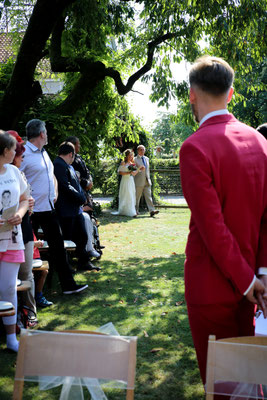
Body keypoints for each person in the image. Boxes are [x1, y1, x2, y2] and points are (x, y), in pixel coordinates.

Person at [179, 56, 267, 393]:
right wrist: (260, 275)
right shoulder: (261, 143)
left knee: (222, 383)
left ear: (192, 94)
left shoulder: (194, 147)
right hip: (254, 286)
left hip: (212, 285)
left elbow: (212, 229)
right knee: (248, 374)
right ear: (230, 94)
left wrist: (248, 282)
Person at [20, 119, 88, 295]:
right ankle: (30, 294)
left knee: (58, 248)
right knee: (28, 251)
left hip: (49, 209)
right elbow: (18, 179)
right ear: (42, 134)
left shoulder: (44, 153)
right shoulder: (24, 153)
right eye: (46, 133)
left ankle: (68, 286)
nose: (48, 135)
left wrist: (55, 192)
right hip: (31, 212)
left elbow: (52, 176)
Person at [0, 131, 29, 352]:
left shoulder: (14, 171)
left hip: (11, 239)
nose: (16, 151)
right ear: (4, 151)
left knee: (9, 288)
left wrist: (20, 213)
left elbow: (24, 200)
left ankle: (11, 339)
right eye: (13, 148)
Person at [53, 142, 99, 270]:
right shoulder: (58, 165)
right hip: (66, 209)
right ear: (70, 154)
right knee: (68, 239)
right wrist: (81, 198)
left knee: (82, 236)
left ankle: (84, 262)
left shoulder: (66, 165)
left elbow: (75, 184)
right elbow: (65, 186)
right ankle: (68, 266)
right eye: (74, 155)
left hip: (74, 209)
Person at [9, 130, 38, 327]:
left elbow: (26, 200)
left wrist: (29, 205)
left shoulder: (19, 174)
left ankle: (30, 312)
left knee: (26, 274)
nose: (22, 158)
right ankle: (12, 316)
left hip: (25, 231)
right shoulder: (8, 174)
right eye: (20, 154)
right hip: (8, 233)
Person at [115, 149, 143, 217]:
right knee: (125, 195)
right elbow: (120, 172)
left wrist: (139, 169)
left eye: (132, 155)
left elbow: (133, 174)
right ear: (126, 156)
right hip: (125, 181)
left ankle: (132, 211)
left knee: (131, 194)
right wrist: (128, 172)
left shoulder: (132, 164)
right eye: (130, 155)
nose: (131, 156)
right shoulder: (123, 163)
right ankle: (124, 210)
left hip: (130, 181)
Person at [134, 145, 159, 217]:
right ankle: (135, 211)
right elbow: (133, 170)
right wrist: (139, 169)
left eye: (143, 149)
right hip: (138, 181)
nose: (142, 151)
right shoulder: (135, 159)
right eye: (141, 150)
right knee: (137, 197)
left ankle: (152, 211)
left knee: (149, 196)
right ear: (138, 151)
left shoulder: (147, 159)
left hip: (147, 180)